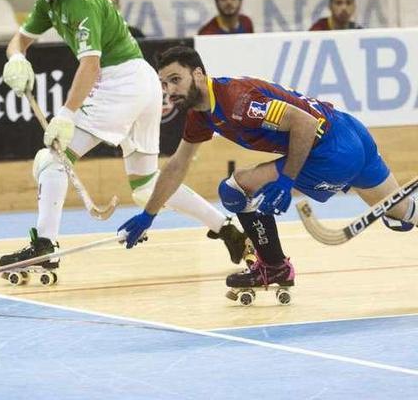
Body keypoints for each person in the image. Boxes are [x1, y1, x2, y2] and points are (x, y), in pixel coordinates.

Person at [0, 0, 251, 273]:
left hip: (122, 84)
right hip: (142, 82)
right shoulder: (49, 3)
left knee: (51, 158)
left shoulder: (81, 1)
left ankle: (45, 246)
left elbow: (89, 66)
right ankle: (227, 229)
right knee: (147, 188)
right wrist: (16, 56)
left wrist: (67, 114)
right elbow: (20, 39)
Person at [117, 46, 417, 294]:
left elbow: (305, 124)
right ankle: (273, 265)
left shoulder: (237, 101)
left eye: (175, 80)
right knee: (403, 211)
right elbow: (177, 166)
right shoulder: (202, 114)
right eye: (164, 84)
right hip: (350, 131)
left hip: (330, 152)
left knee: (234, 190)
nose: (169, 91)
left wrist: (287, 179)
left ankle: (274, 268)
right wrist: (149, 214)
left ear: (197, 74)